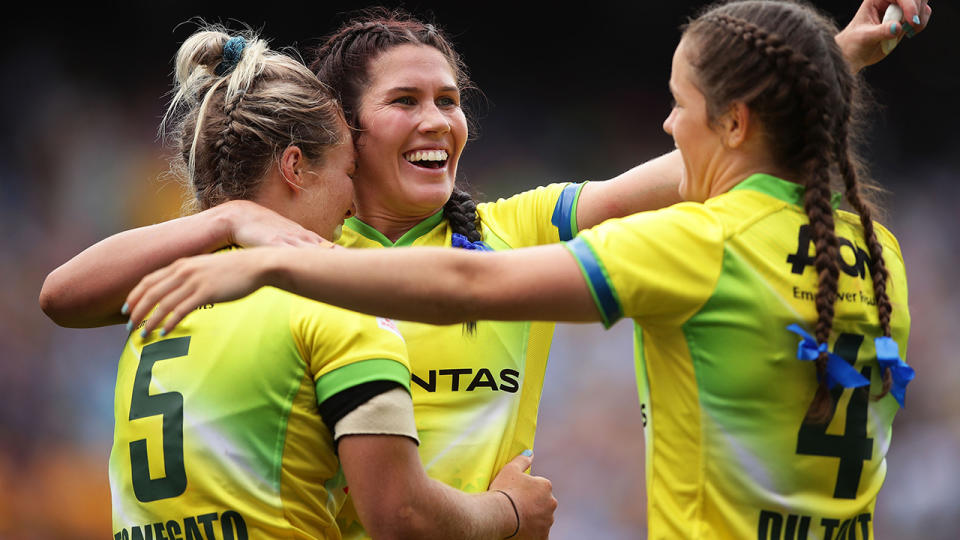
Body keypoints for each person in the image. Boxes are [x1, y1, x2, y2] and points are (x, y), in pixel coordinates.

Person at [40, 0, 927, 536]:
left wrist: (819, 67)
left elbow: (674, 176)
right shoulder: (294, 256)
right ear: (345, 132)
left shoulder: (510, 228)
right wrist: (229, 220)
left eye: (451, 100)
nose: (439, 121)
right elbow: (70, 295)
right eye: (406, 101)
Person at [101, 25, 555, 540]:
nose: (351, 196)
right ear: (295, 167)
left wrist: (225, 221)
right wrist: (511, 512)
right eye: (347, 171)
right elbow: (398, 513)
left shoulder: (164, 290)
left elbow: (58, 296)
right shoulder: (337, 302)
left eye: (448, 99)